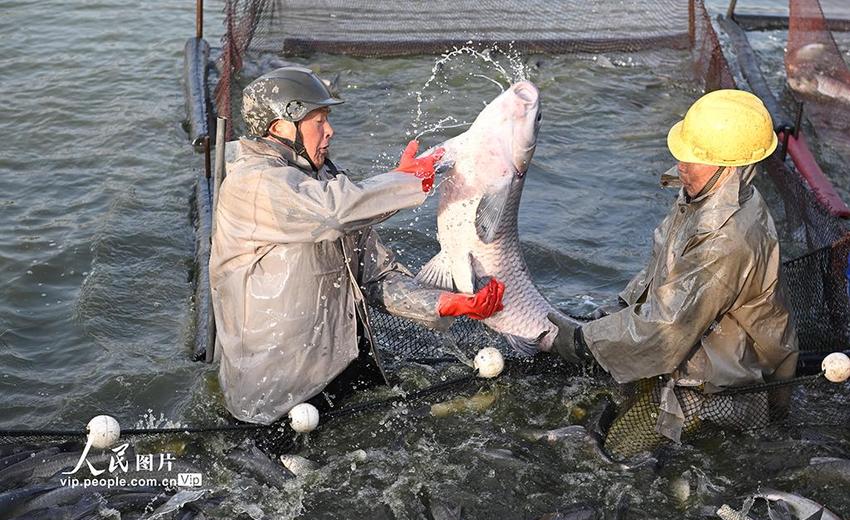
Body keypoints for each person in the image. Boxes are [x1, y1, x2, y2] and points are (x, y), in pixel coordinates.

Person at [210, 67, 505, 425]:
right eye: (318, 120)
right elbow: (333, 212)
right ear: (279, 127)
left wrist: (444, 303)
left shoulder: (325, 180)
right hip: (275, 395)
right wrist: (406, 181)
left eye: (327, 119)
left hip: (345, 365)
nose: (330, 130)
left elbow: (376, 275)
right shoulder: (251, 183)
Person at [547, 89, 799, 456]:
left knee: (609, 457)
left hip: (719, 392)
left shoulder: (726, 240)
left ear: (729, 169)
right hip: (691, 354)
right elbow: (659, 278)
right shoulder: (712, 194)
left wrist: (582, 342)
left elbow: (666, 329)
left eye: (695, 158)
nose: (681, 165)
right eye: (683, 153)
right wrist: (611, 317)